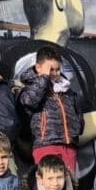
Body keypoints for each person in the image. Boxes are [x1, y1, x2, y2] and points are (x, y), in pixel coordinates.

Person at [18, 44, 84, 173]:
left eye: (58, 69)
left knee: (70, 181)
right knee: (48, 180)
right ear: (38, 68)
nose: (55, 73)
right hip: (46, 144)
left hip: (68, 144)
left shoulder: (65, 88)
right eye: (51, 69)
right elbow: (28, 101)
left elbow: (76, 110)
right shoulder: (32, 86)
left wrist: (78, 126)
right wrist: (43, 77)